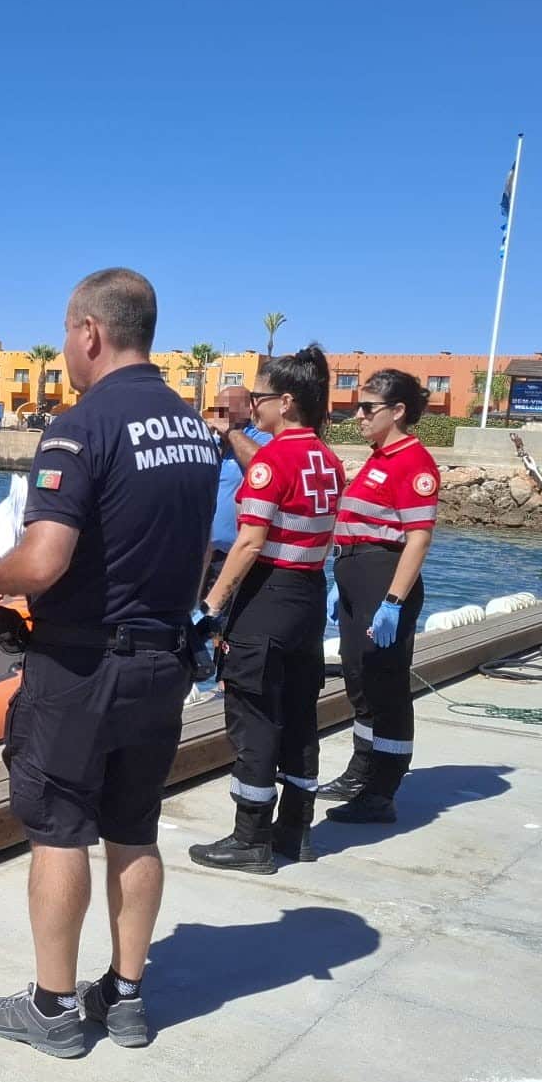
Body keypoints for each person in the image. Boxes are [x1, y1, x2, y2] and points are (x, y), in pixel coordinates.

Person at [0, 268, 216, 1057]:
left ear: (89, 333)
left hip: (83, 667)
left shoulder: (83, 425)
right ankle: (130, 995)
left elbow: (42, 562)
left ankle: (52, 1008)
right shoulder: (195, 431)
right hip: (162, 661)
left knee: (60, 830)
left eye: (65, 336)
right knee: (135, 829)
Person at [192, 344, 342, 874]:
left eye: (258, 398)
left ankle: (250, 837)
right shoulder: (329, 460)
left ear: (285, 401)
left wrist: (209, 607)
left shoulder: (272, 461)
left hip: (269, 597)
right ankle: (295, 831)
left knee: (253, 715)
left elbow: (250, 543)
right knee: (300, 716)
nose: (252, 407)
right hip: (307, 597)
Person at [320, 369, 438, 822]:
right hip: (355, 574)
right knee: (357, 678)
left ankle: (383, 788)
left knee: (386, 685)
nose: (359, 417)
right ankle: (361, 769)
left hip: (383, 577)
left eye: (368, 408)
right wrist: (341, 580)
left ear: (398, 411)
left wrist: (392, 601)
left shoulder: (412, 462)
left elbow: (418, 539)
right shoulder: (379, 457)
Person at [204, 384, 270, 571]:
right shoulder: (213, 442)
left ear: (247, 409)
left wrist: (231, 432)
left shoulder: (261, 438)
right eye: (217, 407)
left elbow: (263, 466)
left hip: (239, 556)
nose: (219, 413)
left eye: (227, 407)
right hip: (206, 553)